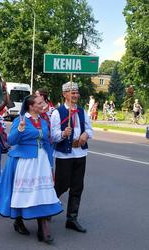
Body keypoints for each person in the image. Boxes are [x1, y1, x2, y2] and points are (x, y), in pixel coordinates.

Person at [0, 95, 62, 244]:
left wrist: (50, 163)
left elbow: (47, 143)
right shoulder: (21, 119)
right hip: (25, 161)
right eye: (39, 103)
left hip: (41, 161)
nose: (42, 104)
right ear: (31, 106)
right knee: (24, 193)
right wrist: (19, 129)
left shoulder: (43, 121)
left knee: (41, 193)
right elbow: (11, 140)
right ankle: (18, 220)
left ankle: (43, 229)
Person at [51, 82, 93, 233]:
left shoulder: (82, 111)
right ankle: (47, 211)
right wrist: (63, 134)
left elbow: (90, 128)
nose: (75, 95)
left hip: (80, 153)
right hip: (64, 155)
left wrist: (85, 134)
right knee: (61, 185)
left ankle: (72, 218)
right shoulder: (58, 112)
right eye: (71, 92)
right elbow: (53, 135)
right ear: (65, 94)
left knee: (77, 186)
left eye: (76, 92)